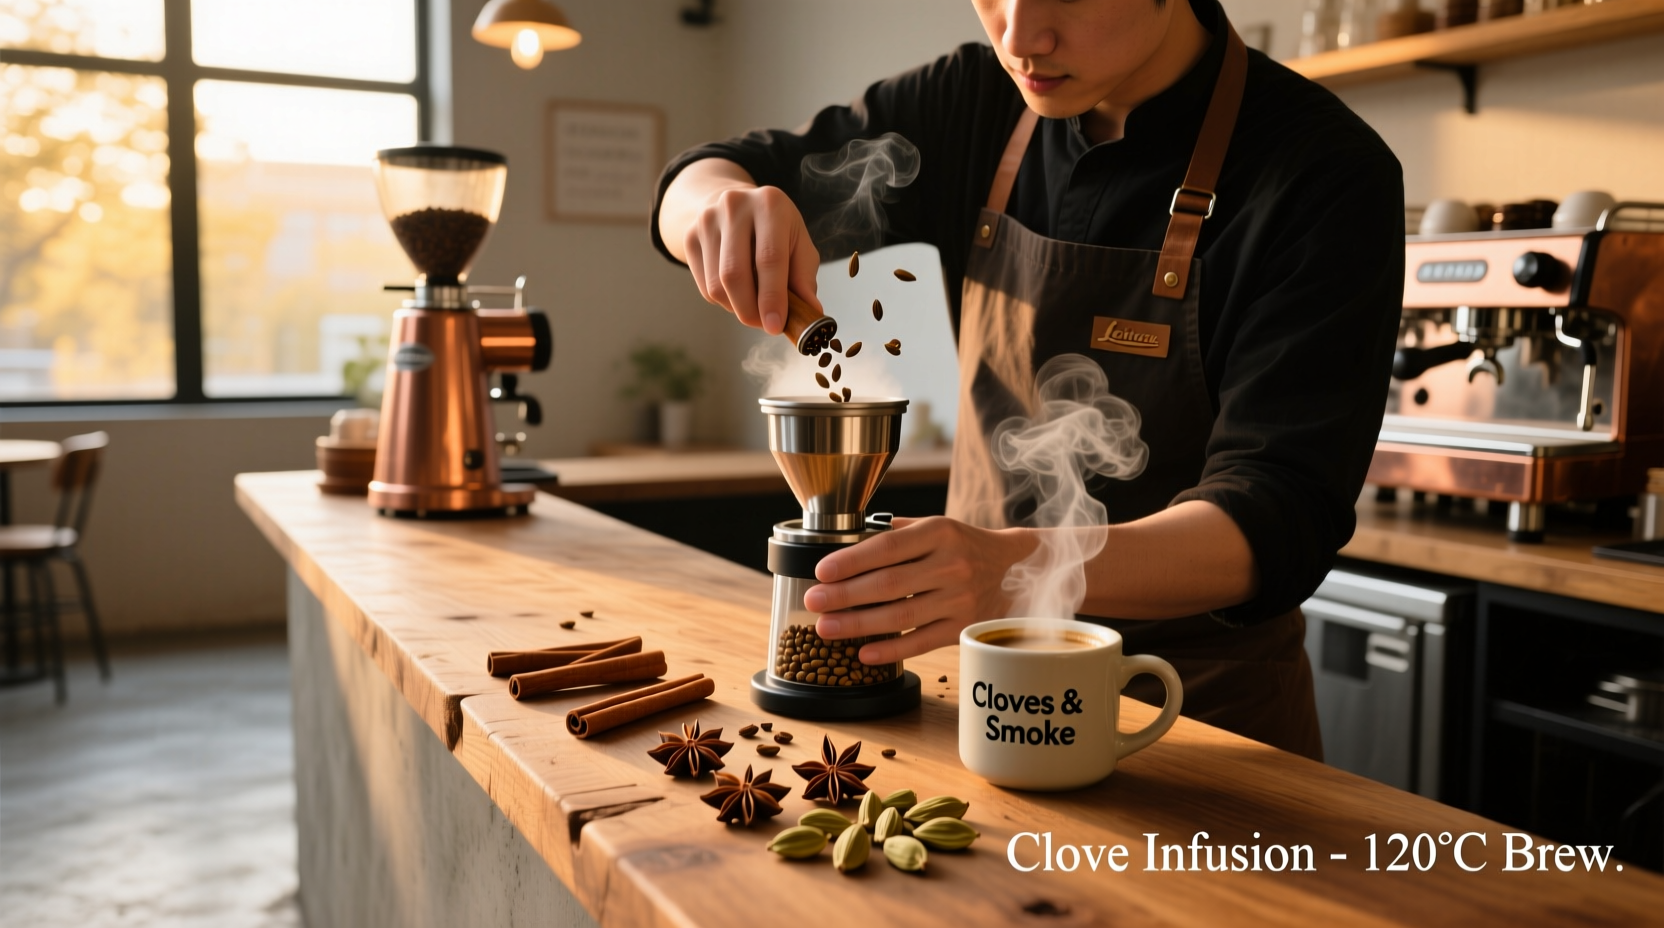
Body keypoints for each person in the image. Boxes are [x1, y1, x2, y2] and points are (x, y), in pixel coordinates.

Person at [651, 0, 1404, 759]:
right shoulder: (978, 98)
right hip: (982, 701)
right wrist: (715, 209)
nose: (1019, 38)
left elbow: (1274, 521)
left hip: (1193, 722)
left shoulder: (1324, 171)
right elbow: (706, 173)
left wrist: (1012, 568)